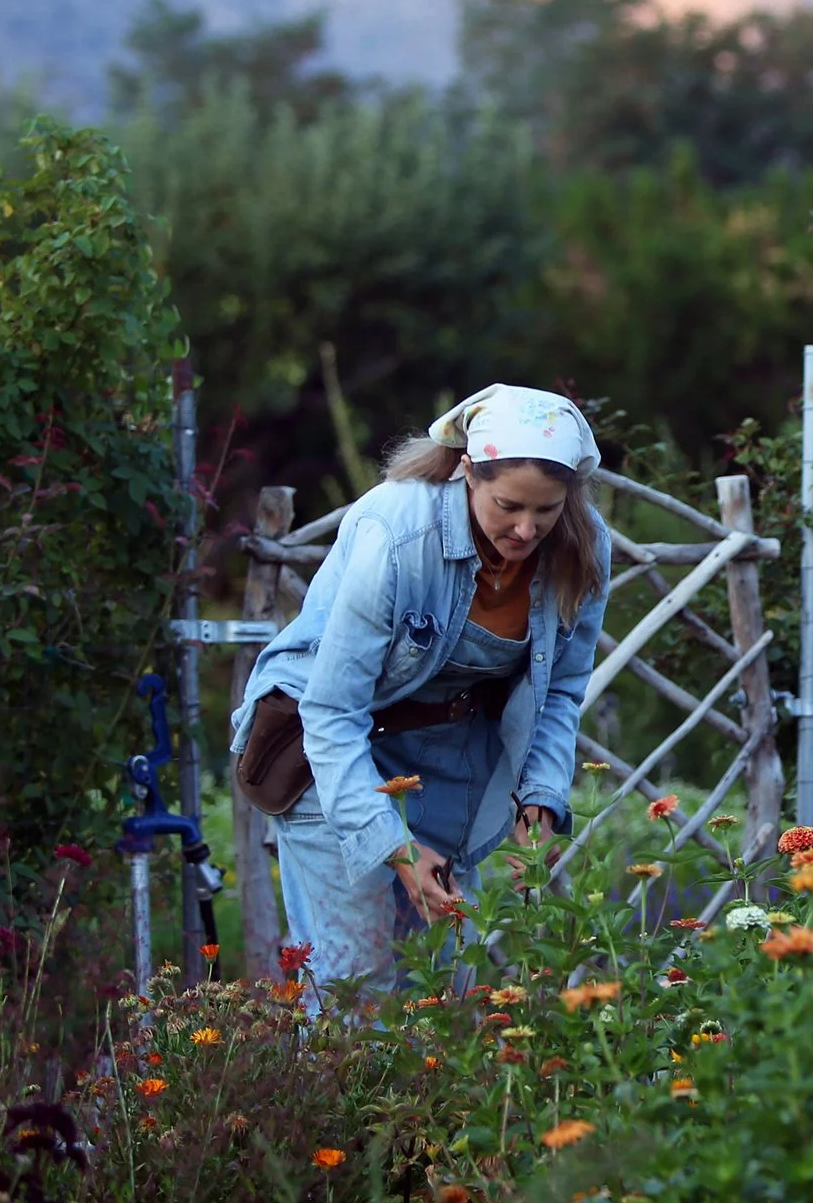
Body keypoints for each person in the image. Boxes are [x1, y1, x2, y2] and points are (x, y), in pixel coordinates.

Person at [230, 384, 609, 997]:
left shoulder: (582, 547)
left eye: (547, 510)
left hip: (443, 760)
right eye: (509, 505)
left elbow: (559, 691)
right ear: (467, 471)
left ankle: (426, 1098)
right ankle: (327, 1091)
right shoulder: (398, 534)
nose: (525, 527)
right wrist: (395, 848)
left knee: (443, 980)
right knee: (359, 983)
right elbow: (331, 709)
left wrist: (538, 800)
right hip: (328, 756)